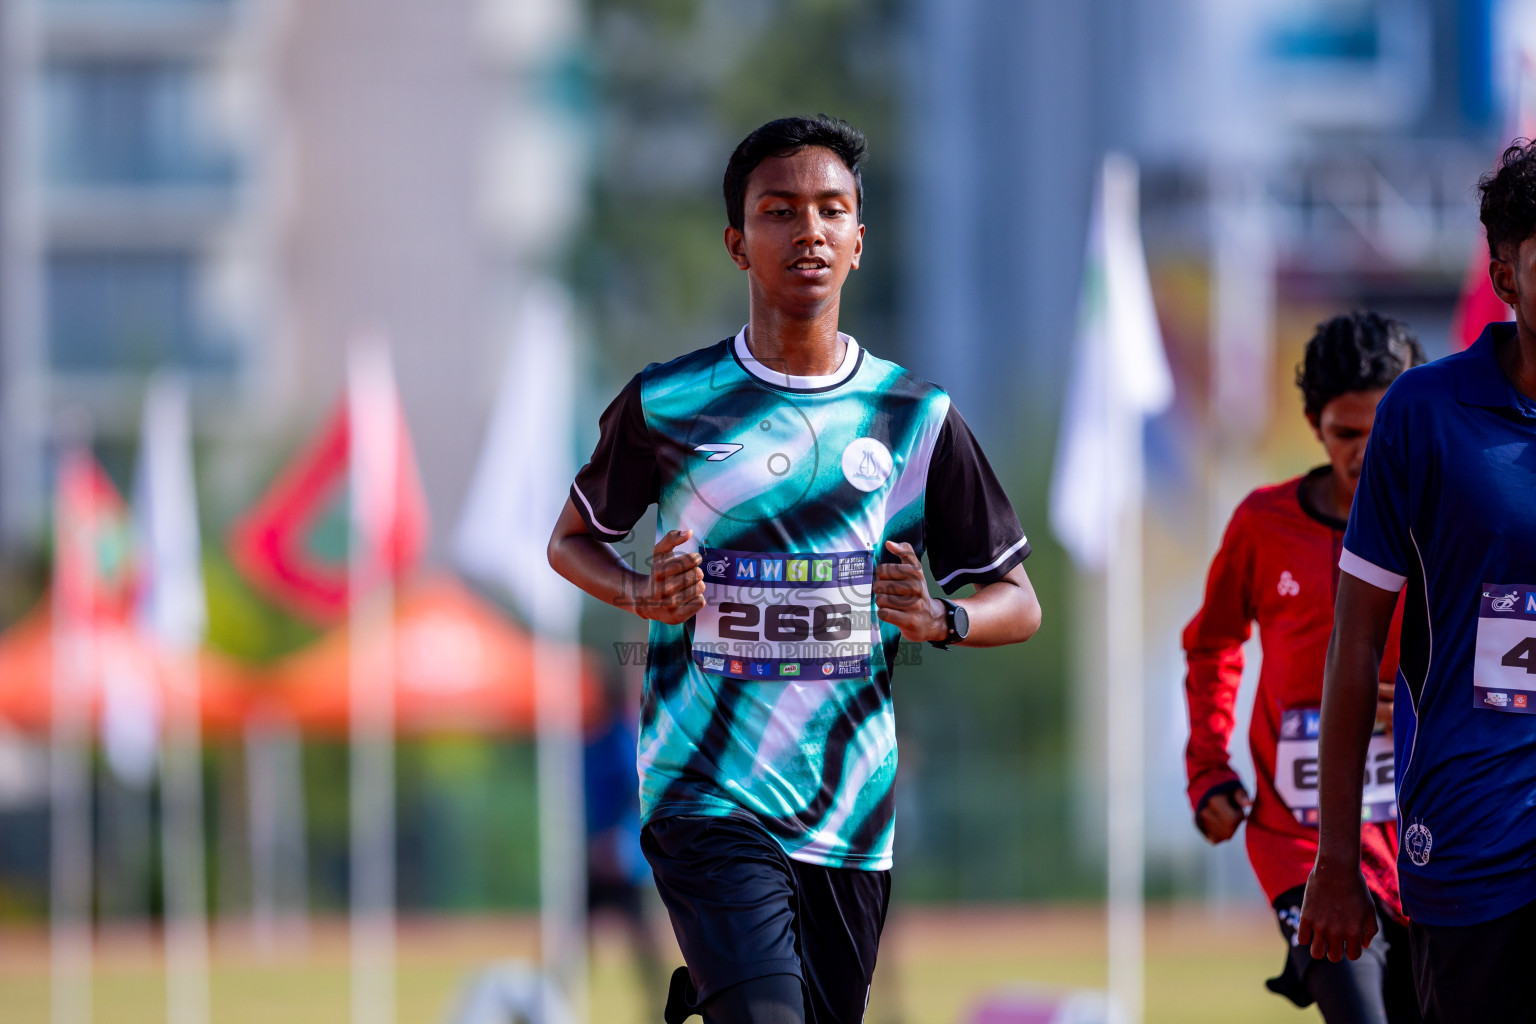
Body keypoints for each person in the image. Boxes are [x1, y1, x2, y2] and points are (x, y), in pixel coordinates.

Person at [547, 115, 1042, 1024]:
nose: (806, 231)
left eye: (830, 210)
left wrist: (942, 619)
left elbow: (1020, 600)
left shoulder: (914, 417)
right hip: (705, 794)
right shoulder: (671, 401)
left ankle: (719, 982)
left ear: (860, 238)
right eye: (779, 212)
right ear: (738, 243)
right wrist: (638, 592)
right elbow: (570, 538)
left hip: (849, 817)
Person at [1299, 141, 1536, 1023]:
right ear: (1505, 276)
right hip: (1470, 840)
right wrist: (1334, 860)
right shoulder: (1425, 415)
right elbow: (1356, 643)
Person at [1184, 312, 1425, 1023]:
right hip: (1301, 842)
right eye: (1346, 433)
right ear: (1314, 424)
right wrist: (1209, 768)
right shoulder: (1263, 526)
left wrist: (1413, 704)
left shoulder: (1446, 519)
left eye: (1383, 430)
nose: (1364, 452)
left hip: (1428, 835)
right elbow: (1212, 644)